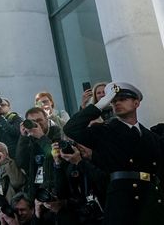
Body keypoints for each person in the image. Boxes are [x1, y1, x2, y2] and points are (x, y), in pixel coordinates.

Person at [63, 81, 164, 224]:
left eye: (122, 99)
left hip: (151, 200)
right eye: (113, 101)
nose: (117, 103)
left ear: (136, 103)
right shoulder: (105, 131)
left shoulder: (150, 136)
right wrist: (98, 105)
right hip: (123, 200)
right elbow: (71, 129)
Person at [15, 107, 60, 198]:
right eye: (32, 121)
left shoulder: (56, 133)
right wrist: (23, 137)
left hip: (53, 189)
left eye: (40, 120)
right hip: (35, 187)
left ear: (47, 120)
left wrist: (41, 137)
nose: (37, 124)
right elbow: (21, 162)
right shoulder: (29, 138)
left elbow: (54, 157)